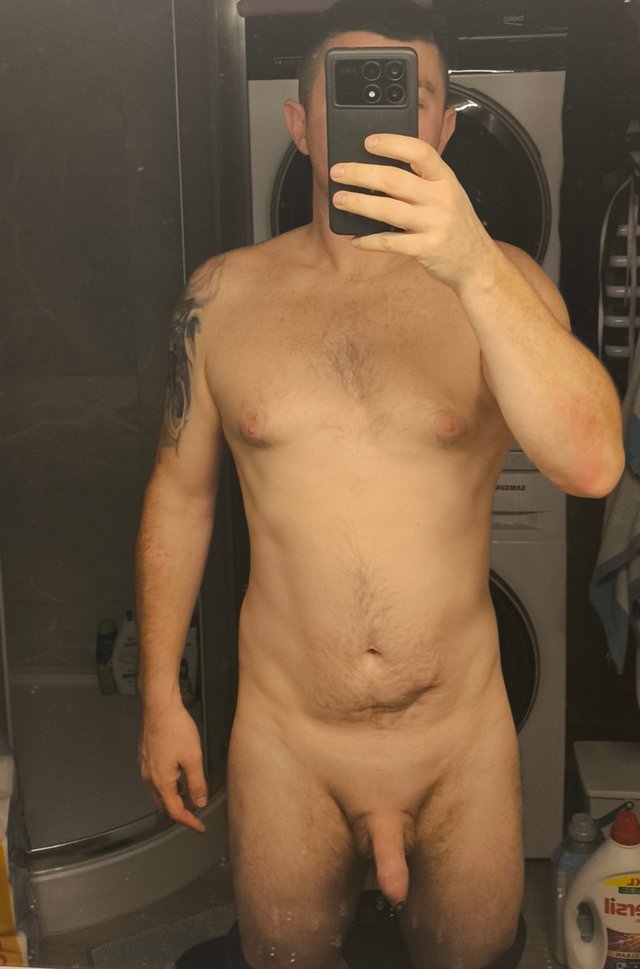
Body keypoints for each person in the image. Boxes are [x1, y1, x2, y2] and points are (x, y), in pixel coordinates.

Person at [135, 1, 624, 967]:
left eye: (412, 95)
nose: (381, 117)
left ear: (439, 129)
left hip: (458, 740)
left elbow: (593, 463)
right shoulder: (223, 296)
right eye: (347, 93)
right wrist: (159, 692)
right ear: (301, 124)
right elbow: (180, 496)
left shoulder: (505, 285)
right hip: (288, 740)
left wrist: (470, 263)